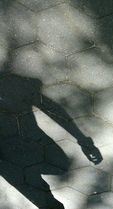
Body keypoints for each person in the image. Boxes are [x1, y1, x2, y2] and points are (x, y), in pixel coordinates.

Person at [0, 74, 102, 209]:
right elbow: (50, 107)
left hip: (33, 151)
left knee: (60, 166)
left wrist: (84, 140)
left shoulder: (11, 83)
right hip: (11, 161)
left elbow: (51, 108)